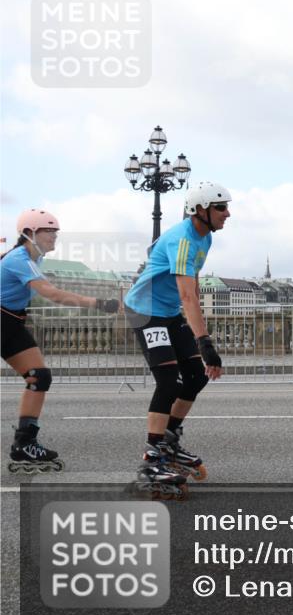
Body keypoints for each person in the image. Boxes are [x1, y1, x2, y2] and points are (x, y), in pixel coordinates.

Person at [123, 181, 231, 499]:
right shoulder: (183, 240)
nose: (228, 213)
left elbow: (192, 288)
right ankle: (152, 458)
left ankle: (169, 440)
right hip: (145, 312)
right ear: (201, 210)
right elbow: (188, 296)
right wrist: (205, 342)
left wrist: (200, 340)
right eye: (221, 207)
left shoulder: (205, 237)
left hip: (168, 312)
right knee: (169, 381)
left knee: (196, 377)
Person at [2, 209, 120, 474]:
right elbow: (51, 294)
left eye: (56, 232)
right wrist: (99, 303)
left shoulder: (35, 259)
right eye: (49, 231)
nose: (55, 236)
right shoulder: (19, 259)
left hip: (11, 322)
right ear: (30, 233)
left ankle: (24, 443)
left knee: (39, 377)